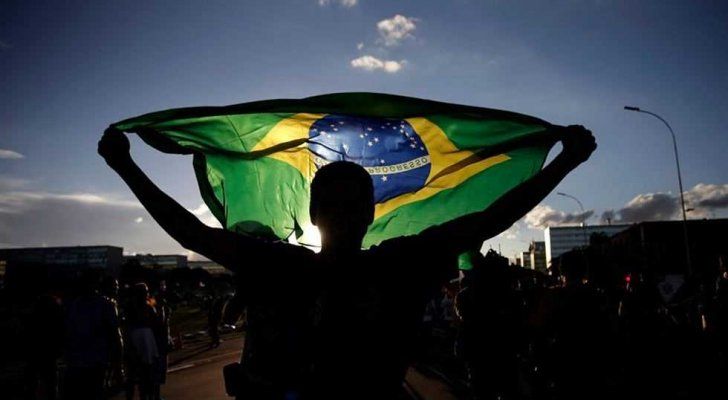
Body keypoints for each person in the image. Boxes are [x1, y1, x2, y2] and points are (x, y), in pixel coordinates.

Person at [99, 124, 595, 399]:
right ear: (313, 213)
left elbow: (490, 219)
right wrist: (126, 166)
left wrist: (565, 162)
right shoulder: (278, 265)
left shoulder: (398, 265)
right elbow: (192, 233)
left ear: (369, 214)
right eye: (330, 204)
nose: (341, 213)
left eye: (352, 204)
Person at [63, 270, 124, 400]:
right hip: (96, 361)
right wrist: (118, 367)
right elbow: (115, 336)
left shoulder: (73, 305)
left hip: (78, 362)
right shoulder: (106, 305)